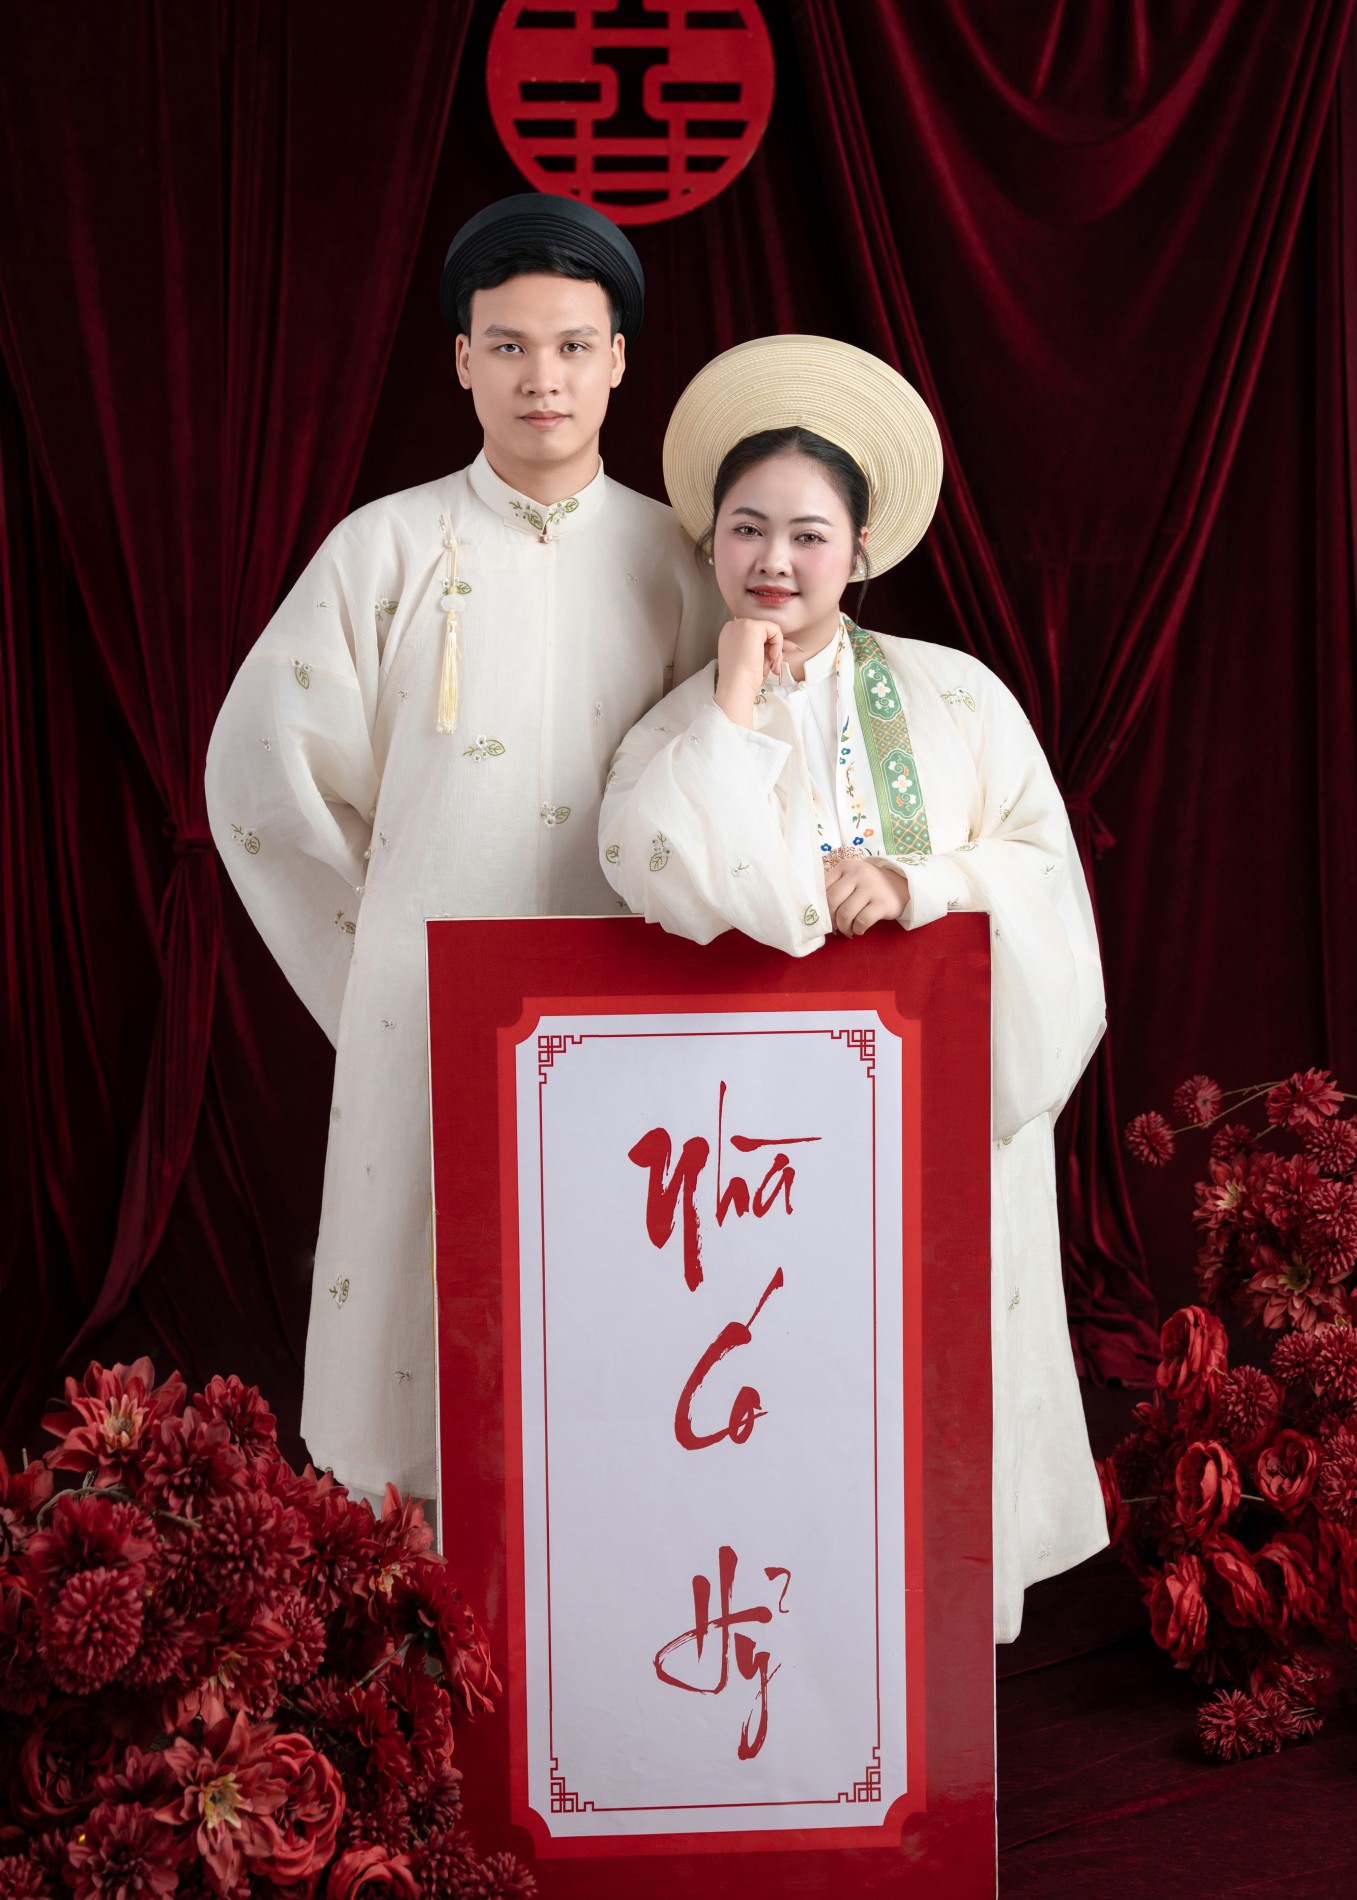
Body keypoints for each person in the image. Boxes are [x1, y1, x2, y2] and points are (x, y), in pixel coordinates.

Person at [206, 194, 719, 1524]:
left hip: (631, 997)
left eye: (572, 345)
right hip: (428, 986)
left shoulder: (679, 557)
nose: (541, 377)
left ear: (619, 360)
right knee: (415, 1266)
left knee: (621, 1264)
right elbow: (259, 770)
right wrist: (378, 947)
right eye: (508, 346)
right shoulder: (385, 546)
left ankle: (616, 1537)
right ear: (460, 359)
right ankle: (413, 1559)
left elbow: (731, 772)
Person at [598, 335, 1107, 1640]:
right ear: (709, 542)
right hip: (747, 1144)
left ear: (861, 549)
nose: (774, 559)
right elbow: (660, 872)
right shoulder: (672, 728)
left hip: (928, 1110)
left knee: (925, 1363)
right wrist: (730, 704)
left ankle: (932, 1636)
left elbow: (1041, 873)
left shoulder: (957, 699)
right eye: (746, 528)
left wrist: (919, 883)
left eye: (807, 534)